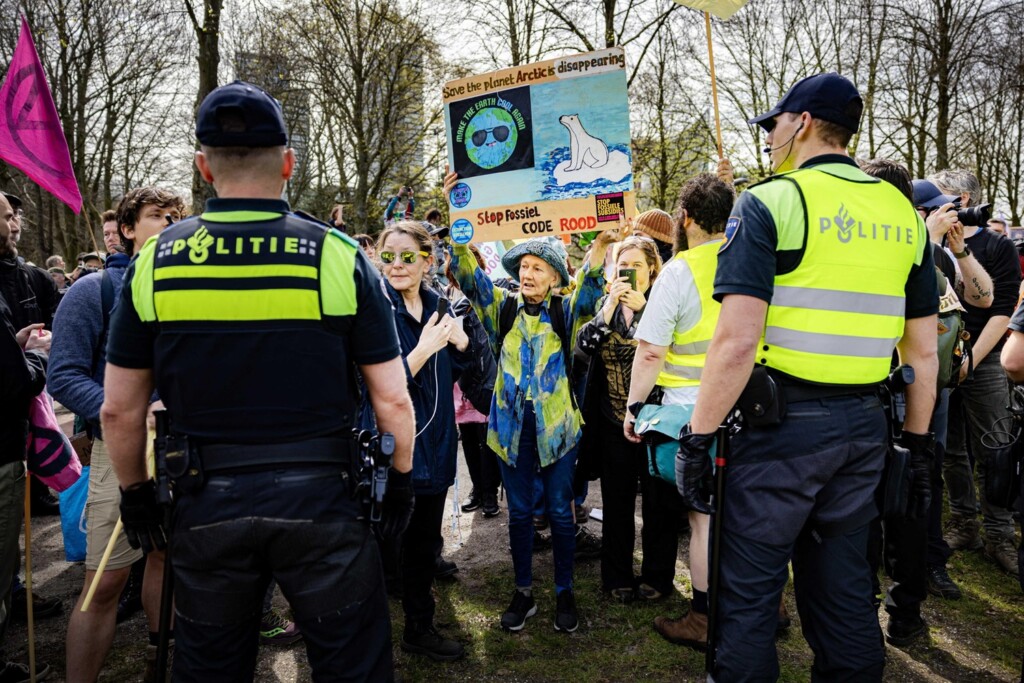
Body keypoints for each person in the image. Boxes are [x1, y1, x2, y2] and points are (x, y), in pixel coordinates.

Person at [100, 80, 416, 681]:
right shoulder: (336, 255)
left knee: (211, 666)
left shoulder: (155, 261)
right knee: (353, 664)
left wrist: (137, 493)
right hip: (323, 501)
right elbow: (392, 398)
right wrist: (400, 483)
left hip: (204, 498)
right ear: (289, 165)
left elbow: (119, 410)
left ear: (203, 167)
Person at [682, 73, 937, 681]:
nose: (769, 137)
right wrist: (919, 446)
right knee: (846, 598)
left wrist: (697, 436)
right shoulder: (902, 212)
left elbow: (736, 340)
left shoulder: (772, 200)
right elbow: (923, 353)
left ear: (799, 123)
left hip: (779, 435)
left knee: (745, 601)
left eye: (773, 124)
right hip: (864, 429)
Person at [446, 166, 611, 634]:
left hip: (558, 432)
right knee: (519, 515)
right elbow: (467, 275)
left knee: (560, 512)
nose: (527, 274)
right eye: (522, 268)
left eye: (537, 268)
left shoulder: (565, 309)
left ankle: (563, 593)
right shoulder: (501, 307)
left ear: (555, 277)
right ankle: (523, 593)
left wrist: (599, 244)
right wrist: (460, 221)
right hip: (510, 431)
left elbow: (591, 290)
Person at [51, 187, 184, 683]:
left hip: (177, 451)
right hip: (120, 451)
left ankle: (159, 661)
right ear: (127, 229)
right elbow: (63, 375)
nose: (169, 223)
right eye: (156, 216)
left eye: (175, 216)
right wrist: (129, 414)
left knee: (165, 560)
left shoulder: (183, 289)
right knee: (104, 581)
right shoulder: (94, 291)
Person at [622, 173, 735, 647]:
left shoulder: (678, 271)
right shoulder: (754, 260)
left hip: (693, 415)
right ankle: (768, 603)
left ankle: (704, 617)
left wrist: (633, 408)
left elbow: (650, 352)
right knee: (747, 512)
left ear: (684, 218)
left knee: (704, 518)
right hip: (749, 406)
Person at [368, 220, 469, 661]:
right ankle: (368, 639)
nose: (396, 265)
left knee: (424, 544)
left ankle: (418, 628)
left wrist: (465, 343)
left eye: (407, 256)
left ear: (428, 261)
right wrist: (424, 350)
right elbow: (368, 388)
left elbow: (473, 374)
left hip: (437, 446)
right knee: (378, 546)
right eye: (387, 255)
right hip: (390, 452)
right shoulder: (373, 309)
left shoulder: (440, 306)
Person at [574, 233, 674, 604]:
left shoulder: (664, 304)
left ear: (651, 269)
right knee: (616, 503)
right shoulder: (606, 306)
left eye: (635, 265)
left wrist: (645, 309)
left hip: (655, 422)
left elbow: (671, 352)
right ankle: (616, 574)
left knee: (658, 503)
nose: (628, 272)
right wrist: (607, 310)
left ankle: (658, 576)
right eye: (622, 266)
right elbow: (582, 351)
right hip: (613, 420)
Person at [931, 169, 1021, 576]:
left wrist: (971, 359)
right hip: (943, 355)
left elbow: (1003, 310)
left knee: (994, 444)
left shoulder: (997, 246)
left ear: (965, 200)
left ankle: (1000, 532)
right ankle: (964, 522)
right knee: (951, 449)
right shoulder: (929, 241)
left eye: (943, 196)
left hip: (985, 356)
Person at [0, 193, 52, 682]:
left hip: (25, 424)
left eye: (16, 215)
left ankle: (15, 590)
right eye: (4, 215)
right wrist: (31, 359)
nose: (13, 223)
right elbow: (16, 376)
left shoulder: (32, 276)